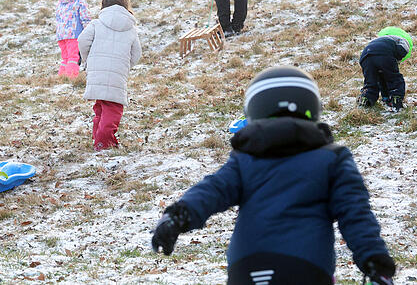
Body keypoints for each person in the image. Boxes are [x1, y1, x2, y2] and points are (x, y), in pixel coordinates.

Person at [151, 66, 396, 285]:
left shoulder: (245, 158)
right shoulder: (332, 158)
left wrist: (177, 217)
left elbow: (212, 190)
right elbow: (355, 212)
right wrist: (375, 260)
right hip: (307, 266)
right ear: (311, 107)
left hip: (247, 266)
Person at [77, 0, 142, 150]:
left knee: (101, 106)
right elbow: (137, 54)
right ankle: (103, 143)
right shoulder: (131, 29)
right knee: (113, 109)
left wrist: (88, 59)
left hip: (96, 69)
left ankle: (99, 138)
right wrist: (125, 66)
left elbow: (82, 41)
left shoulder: (96, 24)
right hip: (117, 73)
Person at [358, 27, 412, 112]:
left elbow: (382, 76)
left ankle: (366, 98)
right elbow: (402, 51)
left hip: (365, 55)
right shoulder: (404, 42)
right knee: (394, 78)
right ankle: (396, 99)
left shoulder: (382, 39)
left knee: (371, 81)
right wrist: (395, 61)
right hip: (384, 54)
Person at [54, 0, 91, 78]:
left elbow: (57, 17)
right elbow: (85, 18)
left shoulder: (60, 2)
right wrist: (89, 31)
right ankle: (72, 77)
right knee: (73, 57)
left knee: (65, 58)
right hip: (74, 34)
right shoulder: (79, 2)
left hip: (61, 35)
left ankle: (62, 77)